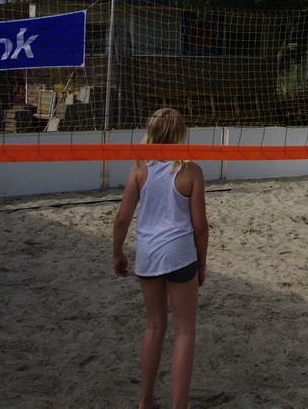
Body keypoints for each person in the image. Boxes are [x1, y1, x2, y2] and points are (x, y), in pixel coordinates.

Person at [112, 108, 209, 409]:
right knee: (184, 332)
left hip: (149, 255)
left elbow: (122, 219)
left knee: (154, 327)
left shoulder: (140, 168)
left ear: (151, 132)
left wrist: (117, 252)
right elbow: (201, 227)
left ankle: (145, 401)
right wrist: (202, 264)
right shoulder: (191, 171)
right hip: (181, 256)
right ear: (180, 134)